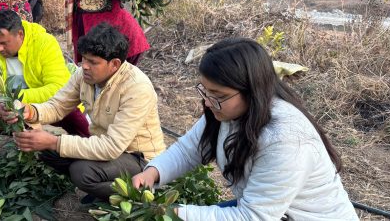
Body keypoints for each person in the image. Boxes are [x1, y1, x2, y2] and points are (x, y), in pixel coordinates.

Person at [131, 38, 358, 220]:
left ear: (252, 90)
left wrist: (174, 213)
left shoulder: (285, 139)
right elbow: (190, 148)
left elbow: (252, 217)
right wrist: (154, 172)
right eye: (205, 91)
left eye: (218, 95)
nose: (208, 102)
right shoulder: (225, 111)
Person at [6, 22, 165, 203]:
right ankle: (104, 184)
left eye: (93, 62)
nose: (85, 66)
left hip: (139, 158)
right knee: (45, 151)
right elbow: (58, 106)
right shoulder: (84, 75)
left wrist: (55, 142)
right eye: (84, 59)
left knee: (81, 172)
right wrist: (31, 111)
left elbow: (111, 147)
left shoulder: (136, 87)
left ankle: (139, 194)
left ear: (114, 64)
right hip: (105, 147)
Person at [0, 10, 89, 137]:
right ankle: (26, 134)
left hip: (41, 106)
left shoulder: (45, 43)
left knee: (74, 117)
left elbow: (58, 88)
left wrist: (12, 100)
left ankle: (82, 144)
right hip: (9, 108)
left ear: (20, 34)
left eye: (4, 43)